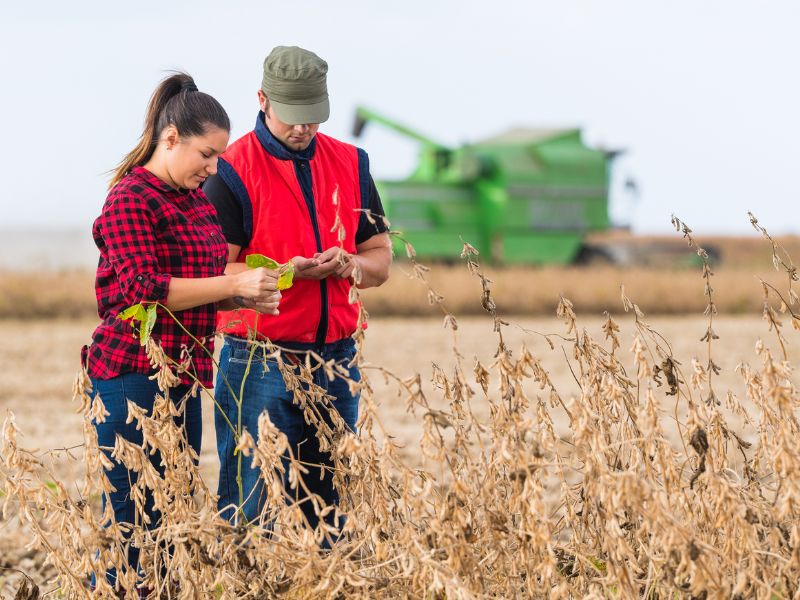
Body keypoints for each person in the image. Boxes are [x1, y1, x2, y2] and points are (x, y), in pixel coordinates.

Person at [82, 72, 280, 594]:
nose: (214, 168)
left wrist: (245, 293)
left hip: (186, 376)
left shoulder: (195, 201)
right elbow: (144, 288)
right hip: (131, 379)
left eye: (219, 158)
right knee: (132, 526)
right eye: (207, 155)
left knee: (171, 521)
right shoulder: (131, 199)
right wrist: (230, 282)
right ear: (171, 139)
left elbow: (198, 283)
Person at [203, 46, 392, 534]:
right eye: (293, 116)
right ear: (263, 100)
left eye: (313, 116)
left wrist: (351, 264)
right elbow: (216, 273)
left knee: (330, 508)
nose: (303, 128)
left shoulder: (353, 163)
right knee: (251, 504)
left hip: (336, 359)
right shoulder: (229, 170)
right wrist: (290, 274)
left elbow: (381, 260)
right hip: (257, 359)